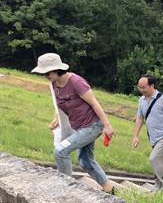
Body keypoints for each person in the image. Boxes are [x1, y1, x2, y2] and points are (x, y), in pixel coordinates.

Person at [32, 53, 115, 193]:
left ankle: (66, 190)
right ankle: (109, 189)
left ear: (57, 69)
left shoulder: (76, 82)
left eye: (47, 72)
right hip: (79, 127)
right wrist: (56, 119)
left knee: (60, 151)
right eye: (43, 73)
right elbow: (60, 104)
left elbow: (94, 103)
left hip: (92, 125)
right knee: (85, 161)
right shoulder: (54, 84)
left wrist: (107, 125)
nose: (45, 75)